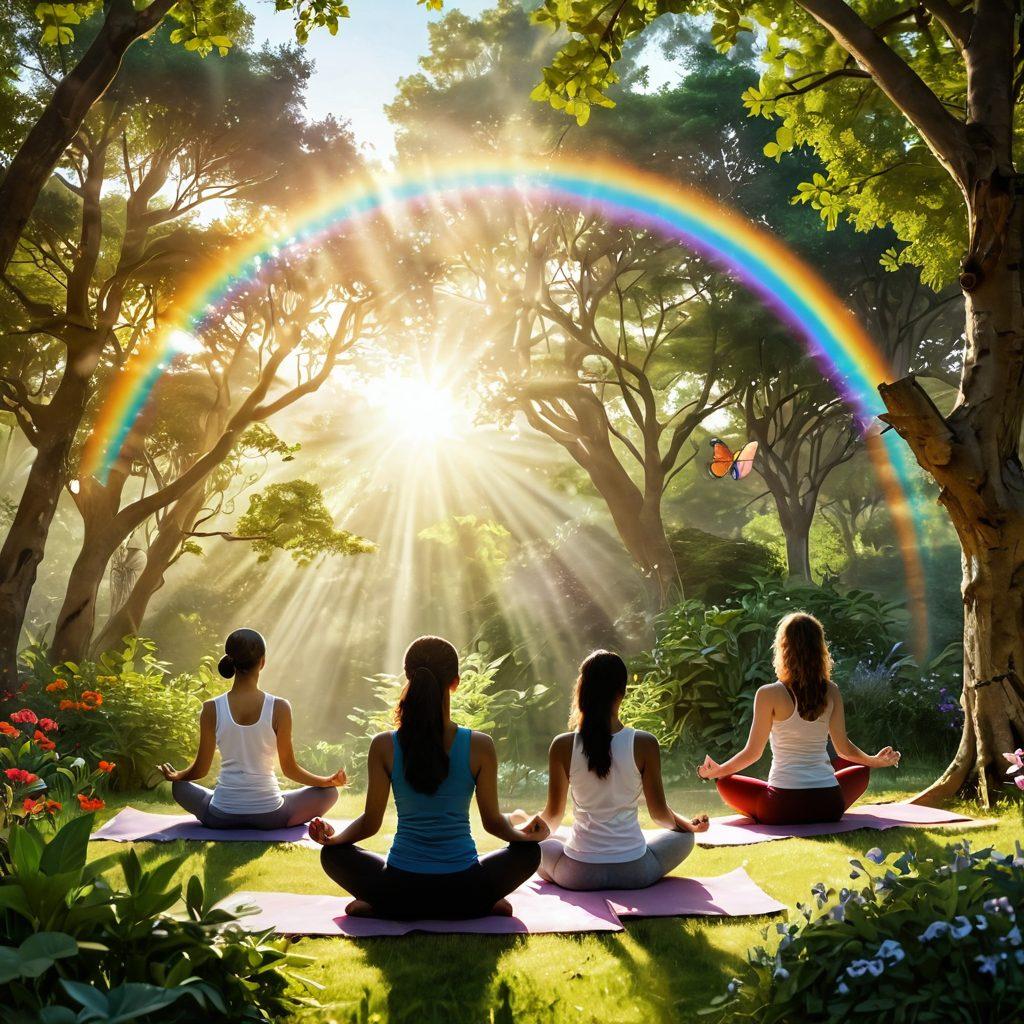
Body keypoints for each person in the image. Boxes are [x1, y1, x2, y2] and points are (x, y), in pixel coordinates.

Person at [311, 636, 548, 920]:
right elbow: (493, 823)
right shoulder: (480, 746)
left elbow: (370, 823)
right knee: (529, 854)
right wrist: (526, 837)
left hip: (400, 887)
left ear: (408, 678)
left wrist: (334, 841)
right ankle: (480, 904)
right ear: (455, 682)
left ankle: (383, 905)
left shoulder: (384, 745)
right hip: (465, 887)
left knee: (332, 857)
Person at [513, 650, 709, 892]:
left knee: (538, 847)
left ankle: (527, 824)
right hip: (635, 871)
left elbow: (552, 820)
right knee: (684, 837)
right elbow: (659, 815)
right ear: (621, 693)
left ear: (582, 690)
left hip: (578, 874)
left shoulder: (563, 745)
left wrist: (522, 834)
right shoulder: (644, 743)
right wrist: (689, 827)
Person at [696, 612, 901, 825]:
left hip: (781, 807)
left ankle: (753, 800)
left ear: (783, 649)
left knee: (725, 783)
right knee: (861, 771)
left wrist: (719, 771)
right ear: (819, 649)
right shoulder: (832, 691)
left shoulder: (768, 694)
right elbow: (844, 749)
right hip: (829, 806)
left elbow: (752, 754)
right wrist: (873, 761)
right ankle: (822, 798)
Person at [160, 628, 344, 828]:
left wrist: (178, 776)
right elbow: (290, 770)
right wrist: (326, 781)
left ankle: (225, 802)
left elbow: (200, 770)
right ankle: (277, 808)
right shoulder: (280, 707)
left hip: (221, 816)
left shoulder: (211, 708)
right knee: (329, 793)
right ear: (262, 662)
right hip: (271, 816)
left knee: (180, 787)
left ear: (232, 662)